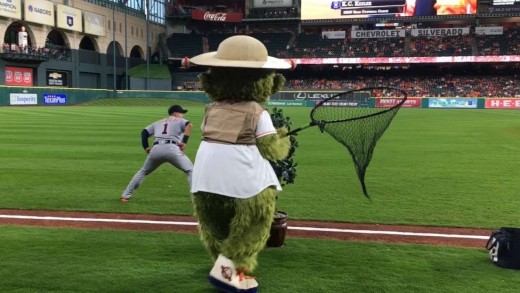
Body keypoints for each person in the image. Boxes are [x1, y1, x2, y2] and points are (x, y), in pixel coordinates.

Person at [120, 104, 193, 202]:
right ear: (175, 113)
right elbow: (189, 125)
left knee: (143, 171)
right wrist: (184, 142)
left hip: (156, 150)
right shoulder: (180, 120)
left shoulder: (158, 122)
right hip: (172, 149)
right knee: (190, 171)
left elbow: (144, 133)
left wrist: (146, 147)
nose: (183, 115)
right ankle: (196, 198)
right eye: (181, 113)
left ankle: (125, 195)